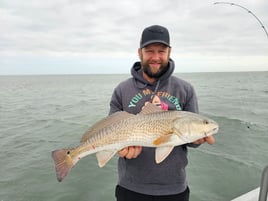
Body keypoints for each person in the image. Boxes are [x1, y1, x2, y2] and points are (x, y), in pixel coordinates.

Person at [109, 25, 215, 201]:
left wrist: (198, 139)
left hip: (174, 189)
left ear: (169, 52)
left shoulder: (185, 89)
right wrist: (121, 148)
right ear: (139, 52)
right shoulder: (122, 89)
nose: (156, 57)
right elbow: (111, 129)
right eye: (149, 51)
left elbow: (189, 139)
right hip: (130, 187)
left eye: (161, 51)